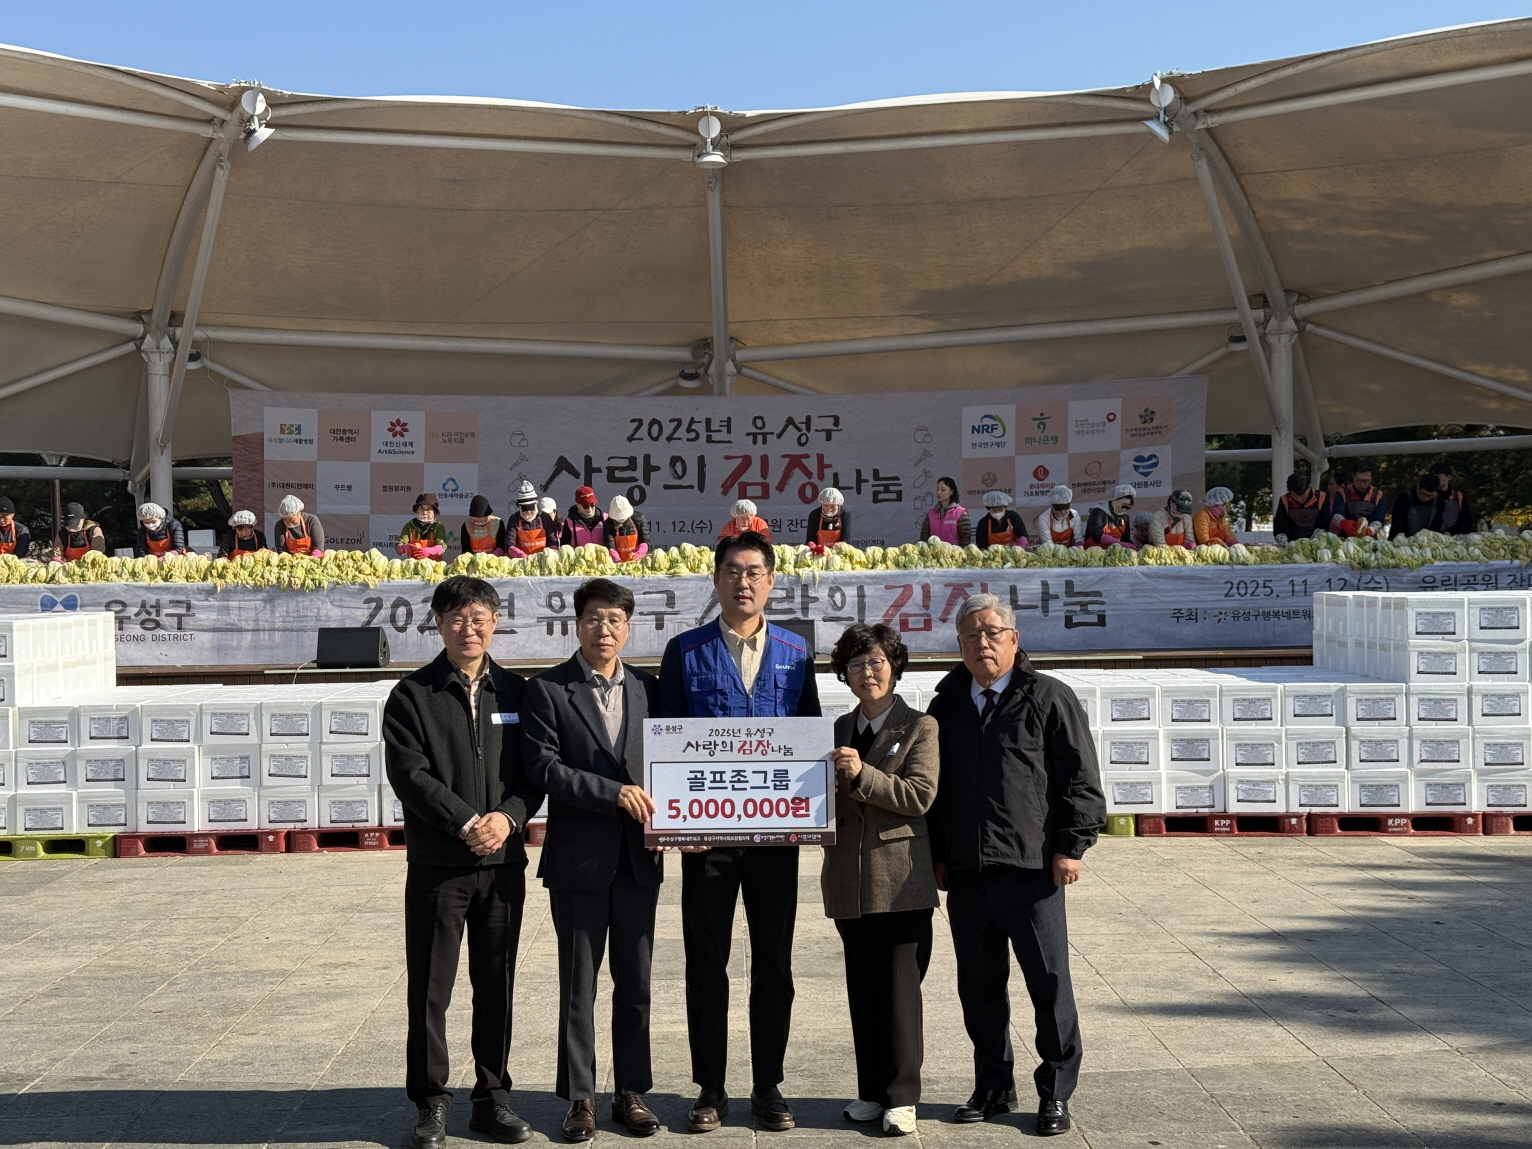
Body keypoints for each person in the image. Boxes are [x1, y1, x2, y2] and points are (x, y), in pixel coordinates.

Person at [656, 531, 821, 1134]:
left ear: (771, 581)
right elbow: (665, 738)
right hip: (707, 840)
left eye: (754, 572)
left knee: (774, 961)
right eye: (732, 571)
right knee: (706, 962)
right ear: (716, 580)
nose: (743, 582)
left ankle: (768, 1084)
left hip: (775, 840)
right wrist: (678, 824)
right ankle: (710, 1087)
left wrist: (809, 814)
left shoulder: (796, 652)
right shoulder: (685, 650)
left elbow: (808, 735)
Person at [926, 594, 1104, 1138]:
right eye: (971, 635)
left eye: (992, 632)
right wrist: (938, 855)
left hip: (1032, 872)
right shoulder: (946, 705)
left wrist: (1072, 847)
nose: (982, 643)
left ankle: (1055, 1092)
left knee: (1048, 986)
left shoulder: (1048, 697)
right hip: (967, 873)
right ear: (959, 646)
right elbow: (935, 792)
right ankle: (992, 1085)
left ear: (1014, 639)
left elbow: (1081, 779)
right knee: (979, 989)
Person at [384, 576, 543, 1149]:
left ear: (495, 622)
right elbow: (410, 774)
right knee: (431, 988)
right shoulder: (412, 694)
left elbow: (534, 771)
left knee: (497, 981)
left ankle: (492, 1099)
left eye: (478, 618)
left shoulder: (520, 693)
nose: (468, 628)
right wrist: (465, 821)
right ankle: (430, 1102)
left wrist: (508, 817)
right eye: (455, 618)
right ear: (437, 622)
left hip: (502, 865)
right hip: (439, 867)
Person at [522, 578, 664, 1142]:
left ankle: (631, 1092)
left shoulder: (650, 689)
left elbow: (672, 760)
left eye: (614, 620)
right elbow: (543, 768)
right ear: (576, 624)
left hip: (639, 861)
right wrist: (613, 794)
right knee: (578, 985)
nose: (604, 629)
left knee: (636, 983)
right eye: (594, 619)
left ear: (628, 627)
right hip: (578, 862)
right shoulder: (548, 689)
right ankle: (580, 1097)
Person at [822, 623, 940, 1137]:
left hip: (899, 877)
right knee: (863, 988)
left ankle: (902, 1096)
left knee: (899, 990)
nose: (866, 672)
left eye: (876, 662)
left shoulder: (920, 726)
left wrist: (861, 775)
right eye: (855, 664)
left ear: (894, 668)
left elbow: (920, 795)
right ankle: (871, 1090)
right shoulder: (838, 727)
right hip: (848, 878)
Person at [1327, 461, 1386, 537]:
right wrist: (1343, 522)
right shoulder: (1343, 492)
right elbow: (1336, 514)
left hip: (1368, 538)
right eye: (1359, 480)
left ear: (1371, 478)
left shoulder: (1378, 495)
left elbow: (1379, 519)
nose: (1362, 484)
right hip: (1345, 536)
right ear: (1353, 476)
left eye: (1366, 481)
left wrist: (1370, 530)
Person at [507, 481, 559, 558]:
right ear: (519, 507)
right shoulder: (514, 520)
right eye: (525, 510)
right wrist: (520, 555)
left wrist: (551, 553)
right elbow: (509, 543)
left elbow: (553, 539)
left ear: (536, 505)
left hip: (544, 560)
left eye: (531, 509)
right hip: (521, 561)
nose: (528, 512)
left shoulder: (545, 518)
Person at [1273, 473, 1326, 543]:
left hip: (1315, 540)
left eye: (1302, 495)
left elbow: (1324, 524)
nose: (1298, 499)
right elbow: (1279, 527)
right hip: (1292, 541)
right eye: (1294, 495)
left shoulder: (1321, 497)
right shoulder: (1284, 500)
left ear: (1309, 487)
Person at [1389, 472, 1444, 539]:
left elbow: (1437, 525)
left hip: (1428, 540)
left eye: (1430, 496)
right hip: (1403, 540)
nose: (1426, 498)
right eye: (1423, 494)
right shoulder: (1404, 498)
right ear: (1418, 487)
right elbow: (1397, 525)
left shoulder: (1439, 500)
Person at [918, 477, 971, 545]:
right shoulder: (931, 513)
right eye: (938, 489)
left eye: (943, 490)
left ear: (951, 492)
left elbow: (965, 539)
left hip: (954, 552)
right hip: (934, 552)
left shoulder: (961, 513)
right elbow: (923, 538)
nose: (939, 493)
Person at [396, 494, 448, 560]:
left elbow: (442, 546)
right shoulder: (409, 526)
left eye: (429, 509)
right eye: (421, 508)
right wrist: (404, 548)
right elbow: (399, 546)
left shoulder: (438, 527)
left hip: (434, 565)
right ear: (417, 510)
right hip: (414, 564)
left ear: (434, 512)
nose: (425, 512)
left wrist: (429, 551)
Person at [1431, 462, 1474, 536]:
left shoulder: (1458, 497)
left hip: (1454, 537)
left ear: (1449, 477)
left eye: (1438, 476)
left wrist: (1450, 532)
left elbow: (1466, 522)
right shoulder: (1427, 496)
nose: (1435, 480)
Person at [603, 496, 649, 563]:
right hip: (618, 563)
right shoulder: (609, 524)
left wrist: (640, 552)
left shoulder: (639, 519)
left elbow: (645, 540)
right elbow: (610, 544)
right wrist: (614, 556)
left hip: (638, 561)